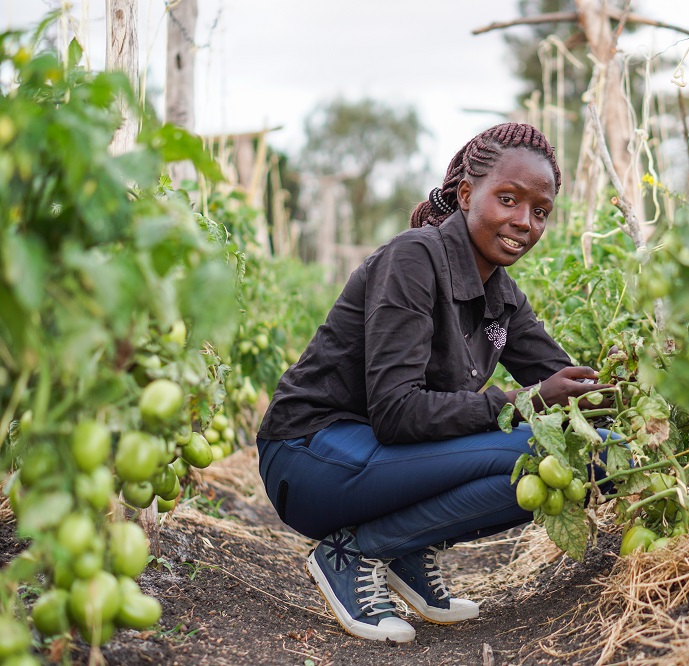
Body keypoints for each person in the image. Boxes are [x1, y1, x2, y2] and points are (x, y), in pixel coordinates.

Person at [256, 122, 611, 643]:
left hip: (381, 460)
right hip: (311, 456)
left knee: (595, 453)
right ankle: (355, 552)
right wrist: (527, 400)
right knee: (536, 453)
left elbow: (572, 385)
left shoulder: (503, 297)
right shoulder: (414, 259)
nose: (524, 222)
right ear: (467, 195)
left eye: (540, 211)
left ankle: (402, 548)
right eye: (508, 199)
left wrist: (630, 394)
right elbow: (398, 414)